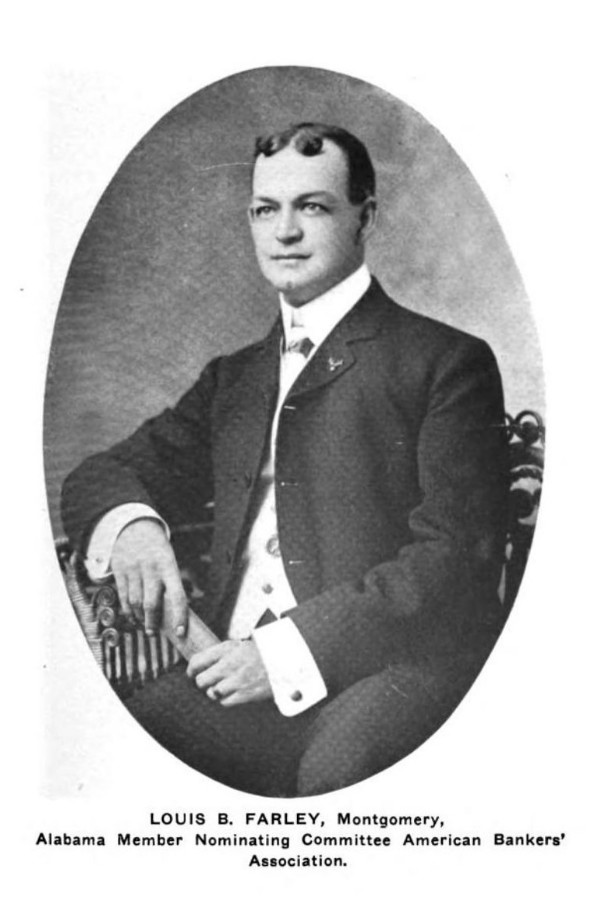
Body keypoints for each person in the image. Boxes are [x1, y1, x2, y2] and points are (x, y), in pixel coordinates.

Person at [62, 122, 509, 796]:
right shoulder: (233, 378)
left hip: (386, 670)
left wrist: (281, 655)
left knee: (337, 773)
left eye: (314, 207)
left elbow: (453, 560)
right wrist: (134, 528)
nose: (285, 231)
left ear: (365, 217)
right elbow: (101, 474)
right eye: (265, 210)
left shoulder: (448, 362)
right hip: (232, 673)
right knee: (110, 760)